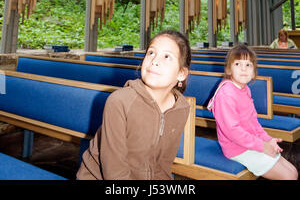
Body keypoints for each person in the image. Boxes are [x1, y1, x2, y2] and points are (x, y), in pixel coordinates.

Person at [76, 30, 191, 180]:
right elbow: (115, 172)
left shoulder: (181, 108)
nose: (155, 60)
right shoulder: (120, 102)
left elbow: (163, 165)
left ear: (181, 74)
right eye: (151, 53)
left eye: (167, 56)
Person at [208, 44, 298, 180]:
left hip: (251, 143)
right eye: (238, 64)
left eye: (248, 65)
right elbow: (233, 132)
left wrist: (268, 140)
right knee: (289, 176)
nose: (243, 68)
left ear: (254, 71)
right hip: (236, 148)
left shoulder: (245, 89)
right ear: (229, 69)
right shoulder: (226, 94)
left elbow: (253, 122)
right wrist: (263, 146)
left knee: (293, 171)